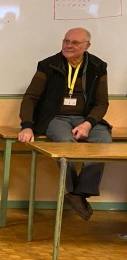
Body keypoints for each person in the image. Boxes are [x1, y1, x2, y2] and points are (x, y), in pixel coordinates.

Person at [17, 27, 111, 220]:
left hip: (85, 118)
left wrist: (88, 124)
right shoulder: (48, 65)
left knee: (103, 140)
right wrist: (26, 125)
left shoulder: (98, 67)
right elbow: (30, 97)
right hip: (55, 117)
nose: (68, 45)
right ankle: (74, 191)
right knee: (65, 143)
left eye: (75, 42)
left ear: (87, 46)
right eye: (66, 41)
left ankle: (79, 193)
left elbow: (102, 103)